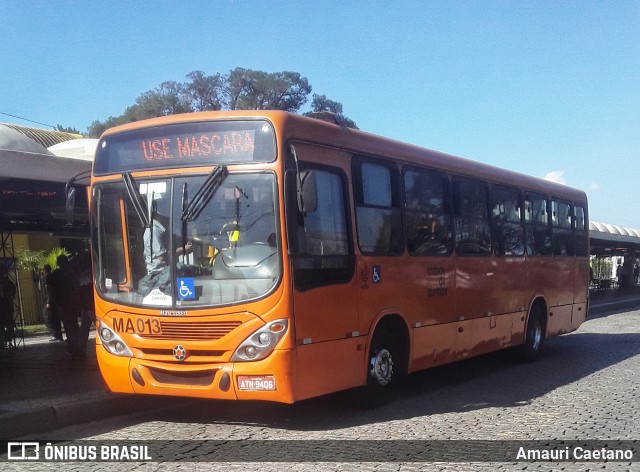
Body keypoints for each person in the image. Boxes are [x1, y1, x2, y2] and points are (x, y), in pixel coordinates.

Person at [139, 211, 191, 296]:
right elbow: (162, 257)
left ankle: (187, 296)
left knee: (189, 268)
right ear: (159, 215)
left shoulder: (160, 229)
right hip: (158, 273)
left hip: (164, 270)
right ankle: (187, 298)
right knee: (184, 269)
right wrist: (184, 250)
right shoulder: (154, 231)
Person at [49, 254, 82, 358]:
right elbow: (77, 285)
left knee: (68, 325)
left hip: (62, 302)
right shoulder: (72, 273)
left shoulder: (55, 274)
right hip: (73, 301)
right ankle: (77, 346)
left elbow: (51, 289)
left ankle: (72, 347)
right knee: (74, 325)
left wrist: (53, 301)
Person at [41, 264, 63, 342]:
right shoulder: (53, 276)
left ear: (44, 270)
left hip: (51, 300)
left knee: (47, 317)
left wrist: (49, 302)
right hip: (55, 300)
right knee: (55, 318)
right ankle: (58, 335)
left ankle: (56, 334)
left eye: (42, 270)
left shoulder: (48, 277)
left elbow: (50, 290)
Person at [0, 266, 16, 346]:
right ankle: (4, 340)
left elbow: (13, 291)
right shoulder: (8, 282)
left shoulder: (7, 282)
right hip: (5, 304)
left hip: (7, 304)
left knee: (9, 323)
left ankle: (8, 339)